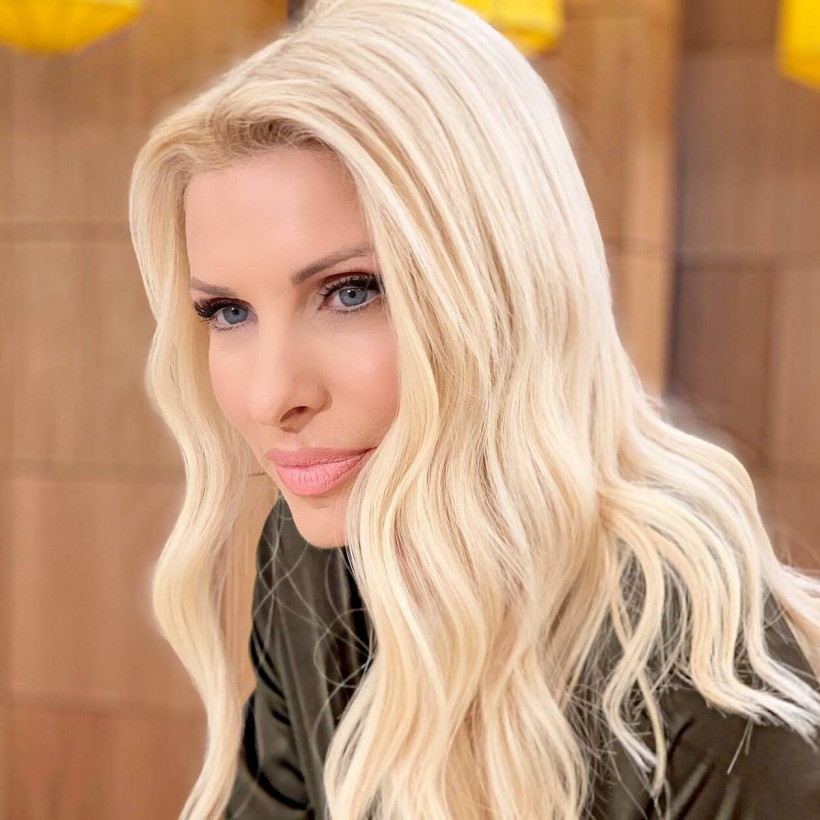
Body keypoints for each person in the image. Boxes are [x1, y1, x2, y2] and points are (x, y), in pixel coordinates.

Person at [127, 0, 820, 817]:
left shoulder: (688, 662)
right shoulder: (313, 557)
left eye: (351, 292)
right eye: (228, 311)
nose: (271, 396)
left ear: (502, 290)